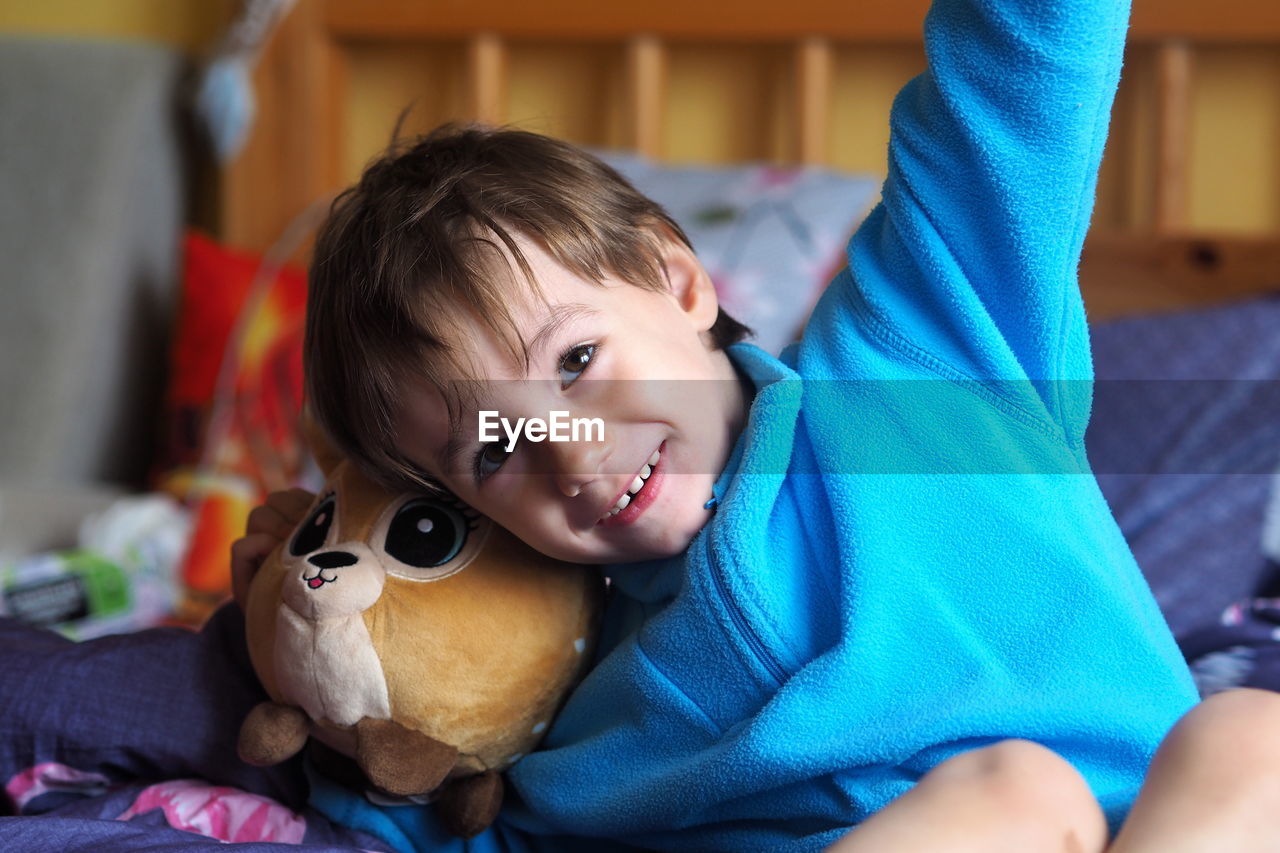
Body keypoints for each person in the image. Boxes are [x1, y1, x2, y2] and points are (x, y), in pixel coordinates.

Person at [227, 0, 1280, 851]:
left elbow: (1013, 85)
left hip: (1167, 820)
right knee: (1004, 798)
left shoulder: (920, 356)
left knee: (1249, 732)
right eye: (492, 450)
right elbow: (439, 821)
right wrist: (299, 654)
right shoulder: (582, 709)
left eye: (578, 362)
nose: (568, 448)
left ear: (679, 281)